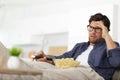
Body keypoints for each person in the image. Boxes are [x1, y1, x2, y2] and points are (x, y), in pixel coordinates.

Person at [33, 13, 120, 80]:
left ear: (105, 30)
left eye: (97, 29)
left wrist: (107, 35)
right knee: (36, 66)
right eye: (91, 28)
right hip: (72, 70)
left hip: (92, 74)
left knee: (45, 74)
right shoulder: (80, 46)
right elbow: (63, 57)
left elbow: (117, 62)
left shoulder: (111, 45)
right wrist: (46, 57)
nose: (93, 32)